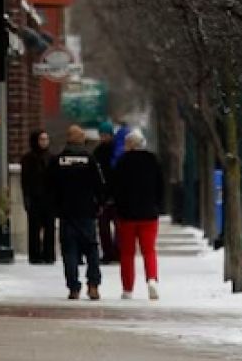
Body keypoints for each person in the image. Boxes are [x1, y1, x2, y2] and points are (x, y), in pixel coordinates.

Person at [52, 124, 108, 300]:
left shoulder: (58, 161)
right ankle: (93, 285)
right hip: (86, 212)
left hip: (67, 213)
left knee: (69, 251)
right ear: (82, 140)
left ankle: (73, 288)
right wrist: (100, 203)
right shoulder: (89, 160)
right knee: (91, 250)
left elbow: (49, 187)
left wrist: (55, 207)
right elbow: (100, 185)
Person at [110, 126, 164, 300]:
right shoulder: (153, 160)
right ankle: (152, 280)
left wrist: (118, 209)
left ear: (129, 145)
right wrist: (156, 206)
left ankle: (127, 288)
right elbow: (160, 187)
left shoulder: (122, 162)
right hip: (149, 214)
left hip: (127, 216)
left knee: (127, 253)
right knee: (149, 250)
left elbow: (116, 189)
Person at [20, 129, 55, 264]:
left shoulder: (51, 158)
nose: (44, 142)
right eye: (41, 139)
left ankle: (49, 254)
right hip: (35, 197)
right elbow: (25, 180)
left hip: (49, 197)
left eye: (46, 139)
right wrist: (27, 197)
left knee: (49, 227)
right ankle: (35, 255)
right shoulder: (28, 159)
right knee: (34, 227)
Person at [92, 122, 119, 262]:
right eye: (102, 135)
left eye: (106, 135)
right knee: (103, 228)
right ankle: (108, 252)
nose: (104, 137)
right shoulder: (98, 152)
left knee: (118, 226)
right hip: (103, 194)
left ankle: (116, 251)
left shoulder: (116, 151)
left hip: (116, 194)